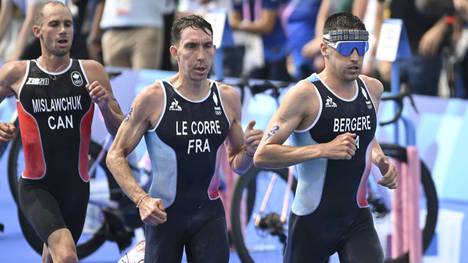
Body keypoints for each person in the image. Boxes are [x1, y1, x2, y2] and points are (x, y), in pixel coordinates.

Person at [106, 14, 263, 263]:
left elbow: (237, 163)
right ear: (175, 52)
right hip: (164, 217)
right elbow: (115, 155)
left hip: (210, 217)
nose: (201, 56)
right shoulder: (153, 98)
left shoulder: (228, 98)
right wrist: (142, 200)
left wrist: (251, 152)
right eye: (191, 46)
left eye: (207, 46)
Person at [254, 12, 399, 263]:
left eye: (361, 48)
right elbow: (262, 154)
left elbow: (366, 134)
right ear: (324, 49)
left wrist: (379, 157)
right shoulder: (304, 94)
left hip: (357, 218)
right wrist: (323, 149)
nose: (355, 57)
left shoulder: (372, 89)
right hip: (312, 220)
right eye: (345, 49)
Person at [0, 1, 124, 262]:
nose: (63, 30)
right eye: (54, 24)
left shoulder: (92, 71)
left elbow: (120, 131)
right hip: (36, 186)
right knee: (66, 254)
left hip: (77, 187)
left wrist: (104, 105)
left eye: (67, 24)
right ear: (37, 31)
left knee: (53, 255)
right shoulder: (17, 73)